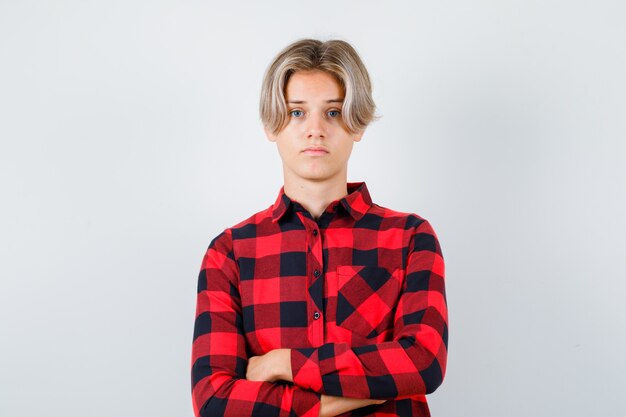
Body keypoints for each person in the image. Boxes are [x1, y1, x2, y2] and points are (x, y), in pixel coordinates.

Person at [190, 38, 448, 417]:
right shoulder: (230, 252)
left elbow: (424, 361)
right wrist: (337, 401)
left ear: (357, 125)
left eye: (332, 112)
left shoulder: (410, 238)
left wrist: (285, 363)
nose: (315, 130)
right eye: (296, 113)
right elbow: (214, 400)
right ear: (271, 125)